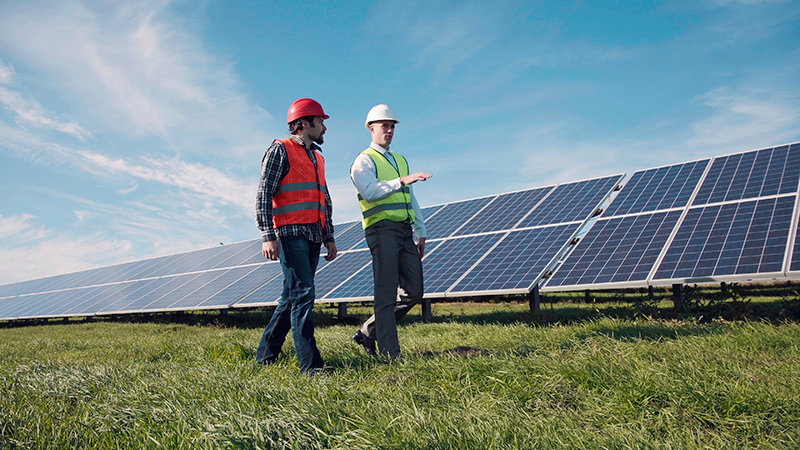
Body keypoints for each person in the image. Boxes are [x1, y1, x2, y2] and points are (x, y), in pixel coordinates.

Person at [255, 97, 337, 374]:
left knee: (291, 297)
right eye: (320, 122)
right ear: (303, 124)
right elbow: (264, 193)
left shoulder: (318, 157)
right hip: (290, 234)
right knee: (304, 294)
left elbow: (323, 200)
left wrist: (329, 237)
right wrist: (268, 235)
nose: (324, 128)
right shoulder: (281, 150)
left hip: (313, 233)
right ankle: (311, 367)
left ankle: (265, 355)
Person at [350, 104, 432, 359]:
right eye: (384, 125)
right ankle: (390, 355)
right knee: (385, 293)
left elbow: (410, 197)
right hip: (381, 230)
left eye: (392, 126)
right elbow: (370, 191)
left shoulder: (400, 160)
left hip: (405, 231)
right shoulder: (363, 160)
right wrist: (402, 181)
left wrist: (421, 229)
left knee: (414, 291)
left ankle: (368, 331)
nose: (389, 130)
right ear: (371, 128)